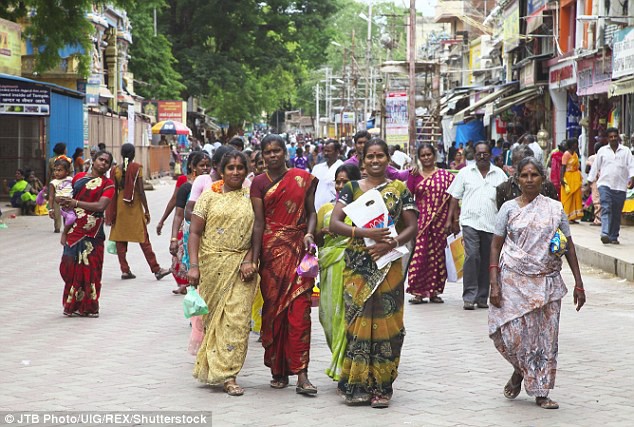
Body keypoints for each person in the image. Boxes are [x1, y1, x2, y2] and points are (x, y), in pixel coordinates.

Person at [489, 157, 586, 410]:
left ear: (542, 179)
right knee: (511, 335)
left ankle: (542, 391)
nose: (529, 180)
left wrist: (579, 283)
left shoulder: (554, 208)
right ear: (517, 179)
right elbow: (496, 245)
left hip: (547, 282)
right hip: (513, 280)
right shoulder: (508, 209)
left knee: (545, 339)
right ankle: (520, 370)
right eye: (524, 175)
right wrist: (494, 284)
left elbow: (568, 245)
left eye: (534, 175)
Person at [329, 138, 418, 408]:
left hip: (388, 264)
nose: (376, 160)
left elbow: (412, 226)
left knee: (388, 322)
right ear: (362, 160)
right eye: (370, 157)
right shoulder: (352, 189)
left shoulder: (399, 189)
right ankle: (357, 385)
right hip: (358, 265)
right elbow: (334, 223)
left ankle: (382, 387)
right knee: (357, 322)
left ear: (388, 159)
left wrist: (392, 241)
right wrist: (364, 232)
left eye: (380, 156)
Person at [250, 134, 319, 395]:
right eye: (268, 152)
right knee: (273, 313)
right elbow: (259, 222)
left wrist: (310, 233)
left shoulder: (302, 178)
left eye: (277, 150)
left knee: (300, 312)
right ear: (263, 155)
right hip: (270, 255)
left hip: (298, 249)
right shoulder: (258, 183)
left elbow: (311, 211)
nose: (273, 155)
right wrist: (254, 258)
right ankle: (278, 370)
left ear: (285, 152)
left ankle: (302, 374)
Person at [188, 151, 258, 397]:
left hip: (243, 265)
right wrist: (194, 265)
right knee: (214, 322)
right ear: (221, 169)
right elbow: (195, 233)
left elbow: (258, 231)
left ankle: (229, 375)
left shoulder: (253, 197)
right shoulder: (208, 197)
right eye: (230, 168)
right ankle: (214, 367)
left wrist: (250, 259)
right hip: (212, 265)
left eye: (240, 167)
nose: (236, 172)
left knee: (237, 321)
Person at [446, 141, 508, 310]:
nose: (482, 156)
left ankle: (482, 297)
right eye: (479, 153)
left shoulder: (499, 174)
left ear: (490, 155)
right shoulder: (465, 173)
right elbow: (454, 197)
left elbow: (506, 200)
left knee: (487, 260)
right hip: (470, 222)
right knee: (472, 256)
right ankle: (469, 296)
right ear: (474, 155)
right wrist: (451, 220)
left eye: (485, 153)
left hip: (491, 224)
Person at [316, 163, 361, 381]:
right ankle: (338, 357)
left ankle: (345, 368)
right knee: (327, 316)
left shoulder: (363, 207)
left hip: (352, 266)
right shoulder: (325, 209)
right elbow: (315, 237)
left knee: (348, 316)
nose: (341, 186)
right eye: (338, 181)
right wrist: (321, 232)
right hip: (329, 266)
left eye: (346, 182)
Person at [58, 150, 115, 317]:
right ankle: (72, 303)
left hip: (93, 233)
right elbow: (67, 208)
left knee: (91, 270)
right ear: (93, 160)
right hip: (75, 230)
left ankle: (89, 306)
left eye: (107, 162)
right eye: (101, 160)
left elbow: (100, 206)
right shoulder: (78, 178)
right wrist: (64, 231)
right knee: (68, 266)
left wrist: (76, 202)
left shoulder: (108, 184)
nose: (103, 163)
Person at [106, 143, 170, 280]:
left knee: (120, 239)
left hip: (120, 206)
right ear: (133, 154)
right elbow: (141, 191)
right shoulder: (137, 168)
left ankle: (124, 270)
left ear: (122, 154)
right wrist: (146, 209)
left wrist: (112, 211)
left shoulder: (115, 170)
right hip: (133, 205)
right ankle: (156, 269)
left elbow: (113, 191)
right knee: (143, 238)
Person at [407, 143, 455, 304]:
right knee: (420, 255)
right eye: (423, 155)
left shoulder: (446, 176)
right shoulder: (414, 175)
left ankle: (434, 291)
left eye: (429, 154)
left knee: (438, 257)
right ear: (419, 158)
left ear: (434, 156)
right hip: (421, 222)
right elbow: (409, 200)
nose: (426, 158)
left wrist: (451, 221)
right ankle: (418, 292)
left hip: (441, 222)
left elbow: (453, 198)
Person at [168, 152, 211, 295]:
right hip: (190, 233)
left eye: (208, 165)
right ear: (193, 167)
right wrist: (174, 239)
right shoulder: (187, 187)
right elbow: (178, 214)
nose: (205, 168)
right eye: (201, 165)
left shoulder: (216, 187)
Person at [588, 127, 634, 244]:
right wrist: (590, 180)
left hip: (620, 186)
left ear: (618, 137)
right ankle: (605, 233)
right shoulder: (602, 151)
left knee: (616, 212)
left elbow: (631, 166)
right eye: (611, 137)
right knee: (606, 207)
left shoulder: (626, 151)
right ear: (607, 138)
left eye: (615, 136)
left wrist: (632, 178)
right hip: (605, 184)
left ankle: (613, 236)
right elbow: (595, 166)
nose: (613, 138)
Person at [496, 145, 559, 210]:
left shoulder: (546, 185)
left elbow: (555, 211)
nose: (529, 180)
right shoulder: (504, 188)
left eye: (529, 163)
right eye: (520, 164)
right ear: (513, 163)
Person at [312, 140, 344, 212]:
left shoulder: (343, 167)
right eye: (324, 151)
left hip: (335, 210)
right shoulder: (317, 168)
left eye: (329, 151)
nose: (326, 153)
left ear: (337, 152)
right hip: (317, 209)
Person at [48, 158, 75, 233]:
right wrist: (50, 209)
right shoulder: (53, 182)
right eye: (55, 170)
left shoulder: (71, 179)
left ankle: (69, 231)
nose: (56, 172)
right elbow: (51, 196)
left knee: (72, 220)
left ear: (66, 172)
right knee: (63, 217)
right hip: (61, 204)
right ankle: (61, 229)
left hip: (72, 202)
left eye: (59, 170)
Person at [560, 138, 583, 223]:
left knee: (576, 197)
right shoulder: (566, 154)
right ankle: (566, 217)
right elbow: (563, 167)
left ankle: (573, 217)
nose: (576, 145)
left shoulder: (576, 154)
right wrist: (562, 178)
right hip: (568, 177)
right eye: (575, 144)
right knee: (568, 197)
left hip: (575, 178)